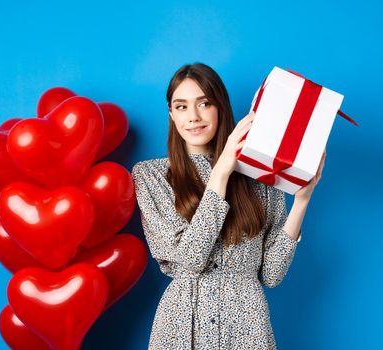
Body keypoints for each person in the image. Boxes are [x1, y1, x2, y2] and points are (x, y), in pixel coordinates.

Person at [131, 62, 326, 350]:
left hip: (247, 327)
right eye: (181, 106)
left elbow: (271, 276)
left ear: (220, 107)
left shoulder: (259, 179)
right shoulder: (150, 176)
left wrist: (302, 200)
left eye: (204, 103)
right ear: (171, 114)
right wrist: (221, 172)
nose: (193, 117)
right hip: (183, 327)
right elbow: (191, 260)